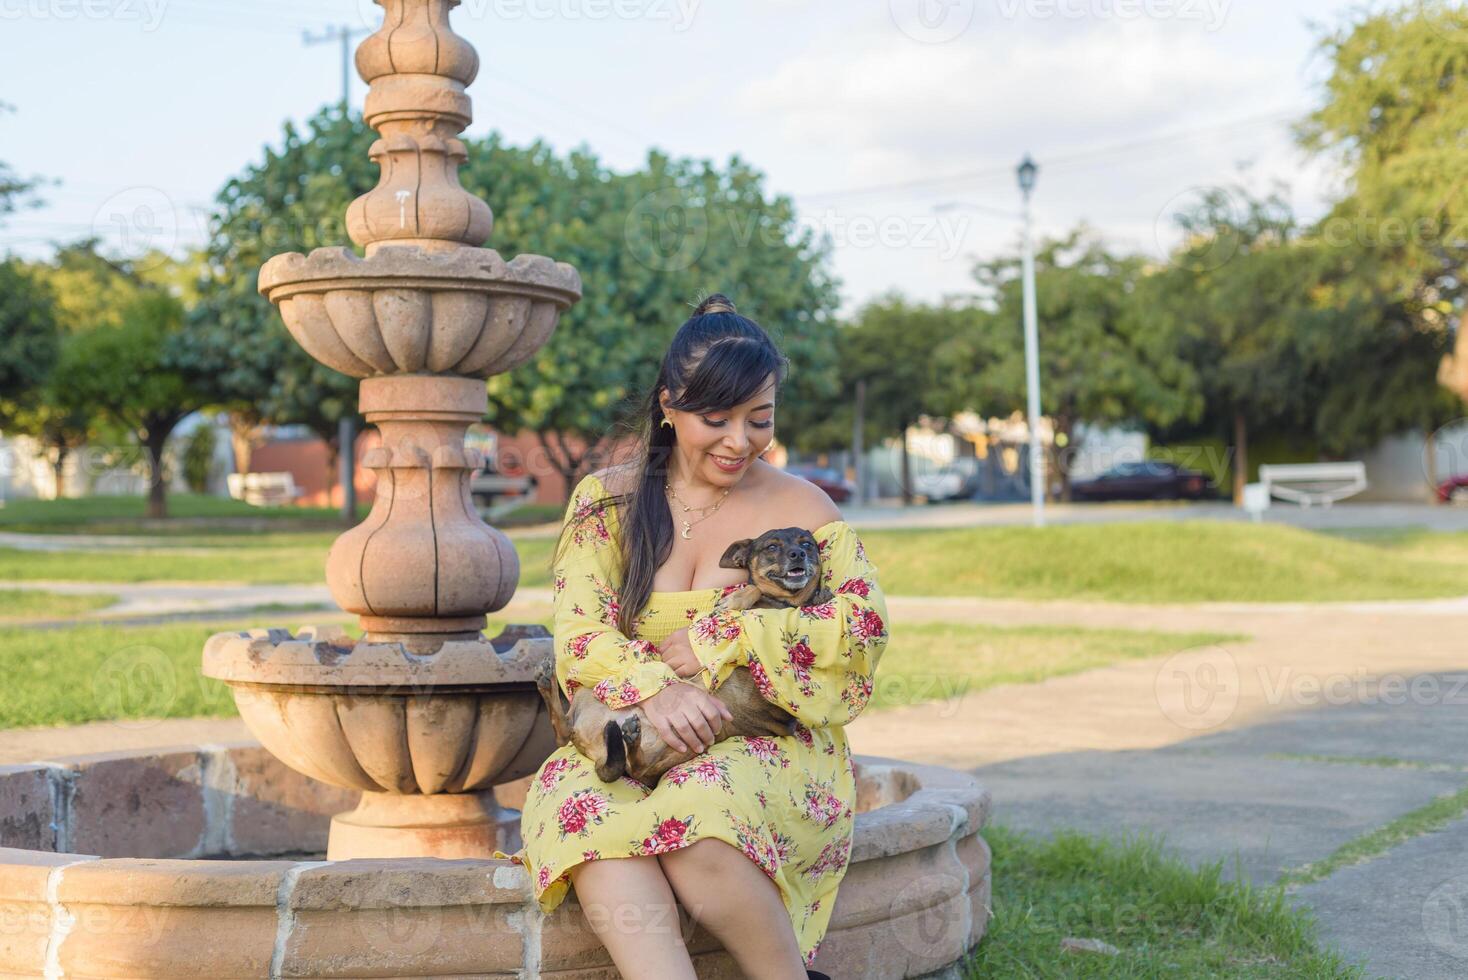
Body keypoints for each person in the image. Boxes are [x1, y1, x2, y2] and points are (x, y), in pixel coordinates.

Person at [508, 293, 889, 979]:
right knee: (581, 810)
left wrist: (727, 637)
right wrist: (656, 691)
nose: (739, 441)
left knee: (699, 804)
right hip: (633, 735)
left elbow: (858, 631)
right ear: (668, 406)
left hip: (766, 740)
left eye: (759, 420)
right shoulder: (609, 501)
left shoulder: (804, 508)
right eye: (715, 419)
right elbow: (578, 631)